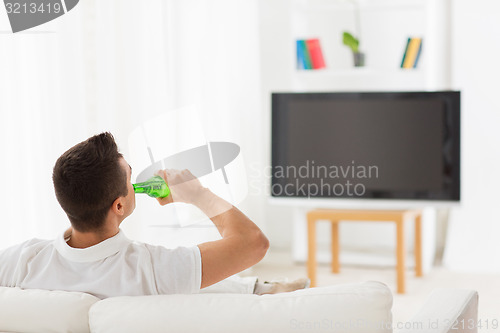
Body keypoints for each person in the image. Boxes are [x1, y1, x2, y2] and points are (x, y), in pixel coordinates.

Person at [0, 132, 308, 299]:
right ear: (118, 206)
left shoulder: (22, 261)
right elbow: (253, 243)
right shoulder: (153, 269)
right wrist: (197, 194)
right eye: (130, 178)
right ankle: (260, 289)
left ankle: (260, 287)